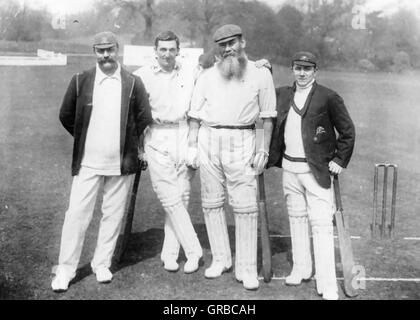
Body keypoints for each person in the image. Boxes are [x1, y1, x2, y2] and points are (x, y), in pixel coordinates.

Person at [52, 31, 153, 292]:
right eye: (100, 50)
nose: (105, 54)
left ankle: (102, 263)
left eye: (109, 49)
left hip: (122, 162)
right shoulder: (80, 80)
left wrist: (129, 145)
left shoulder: (133, 82)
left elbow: (144, 118)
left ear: (117, 49)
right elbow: (66, 115)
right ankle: (65, 269)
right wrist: (87, 138)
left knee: (113, 215)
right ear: (94, 52)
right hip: (88, 163)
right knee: (76, 216)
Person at [187, 24, 277, 290]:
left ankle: (247, 268)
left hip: (244, 140)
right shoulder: (206, 76)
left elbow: (267, 118)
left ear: (243, 42)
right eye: (223, 45)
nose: (228, 49)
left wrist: (263, 148)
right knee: (212, 203)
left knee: (246, 207)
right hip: (209, 139)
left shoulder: (261, 74)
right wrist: (192, 146)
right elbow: (194, 116)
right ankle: (221, 259)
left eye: (232, 43)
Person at [267, 51, 356, 300]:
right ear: (292, 69)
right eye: (298, 68)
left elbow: (347, 131)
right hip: (290, 169)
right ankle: (301, 268)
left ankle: (328, 284)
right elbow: (260, 94)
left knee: (321, 226)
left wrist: (340, 159)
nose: (302, 73)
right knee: (296, 220)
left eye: (307, 69)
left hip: (317, 171)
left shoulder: (328, 96)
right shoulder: (283, 94)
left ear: (315, 71)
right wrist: (263, 68)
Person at [133, 31, 203, 273]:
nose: (167, 54)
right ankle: (194, 251)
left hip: (184, 134)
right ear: (155, 51)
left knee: (182, 196)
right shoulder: (141, 75)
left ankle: (170, 254)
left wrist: (257, 65)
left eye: (171, 49)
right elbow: (133, 112)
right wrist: (139, 146)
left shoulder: (190, 70)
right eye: (162, 49)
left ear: (178, 50)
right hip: (156, 136)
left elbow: (216, 72)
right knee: (169, 197)